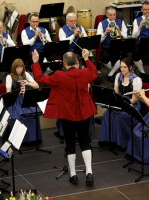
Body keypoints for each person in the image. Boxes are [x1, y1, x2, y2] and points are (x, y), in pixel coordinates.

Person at [32, 48, 98, 186]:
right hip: (84, 113)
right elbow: (94, 72)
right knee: (85, 142)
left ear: (64, 63)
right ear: (76, 62)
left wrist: (36, 62)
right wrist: (87, 59)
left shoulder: (59, 76)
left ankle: (73, 175)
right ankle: (89, 173)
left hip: (68, 115)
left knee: (70, 143)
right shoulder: (85, 73)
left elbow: (40, 78)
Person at [99, 58, 142, 150]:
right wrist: (115, 103)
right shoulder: (118, 76)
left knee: (120, 116)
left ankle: (122, 142)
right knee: (107, 113)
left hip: (131, 104)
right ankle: (108, 140)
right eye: (121, 67)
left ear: (130, 67)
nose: (122, 69)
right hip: (121, 101)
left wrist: (122, 105)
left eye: (125, 67)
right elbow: (116, 93)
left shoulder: (136, 79)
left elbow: (134, 100)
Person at [5, 58, 41, 143]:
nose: (19, 69)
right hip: (15, 101)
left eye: (21, 67)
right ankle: (22, 140)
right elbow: (8, 93)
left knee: (33, 114)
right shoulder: (9, 77)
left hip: (25, 99)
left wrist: (28, 83)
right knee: (19, 116)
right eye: (17, 68)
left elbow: (37, 86)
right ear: (14, 68)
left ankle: (33, 139)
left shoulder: (26, 74)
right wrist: (17, 92)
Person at [96, 7, 127, 81]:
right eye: (110, 15)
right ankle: (116, 71)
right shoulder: (101, 24)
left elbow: (125, 37)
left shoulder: (121, 22)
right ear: (107, 15)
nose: (113, 17)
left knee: (122, 57)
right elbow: (99, 40)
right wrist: (105, 32)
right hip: (107, 46)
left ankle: (111, 74)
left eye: (114, 15)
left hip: (119, 46)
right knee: (104, 58)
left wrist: (119, 31)